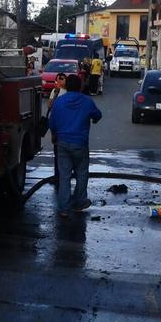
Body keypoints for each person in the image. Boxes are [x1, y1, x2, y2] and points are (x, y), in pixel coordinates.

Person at [48, 74, 102, 218]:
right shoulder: (87, 101)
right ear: (80, 86)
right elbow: (98, 115)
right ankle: (79, 203)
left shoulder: (59, 102)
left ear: (65, 86)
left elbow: (52, 122)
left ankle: (63, 208)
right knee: (82, 173)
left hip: (63, 143)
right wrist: (94, 119)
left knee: (64, 176)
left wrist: (54, 135)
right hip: (80, 144)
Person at [47, 73, 67, 185]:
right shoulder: (55, 91)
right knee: (58, 152)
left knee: (60, 152)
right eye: (58, 79)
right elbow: (49, 105)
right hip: (57, 124)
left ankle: (61, 176)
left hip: (62, 125)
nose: (60, 81)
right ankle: (58, 175)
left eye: (62, 79)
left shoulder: (67, 92)